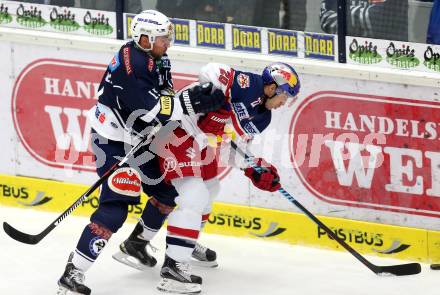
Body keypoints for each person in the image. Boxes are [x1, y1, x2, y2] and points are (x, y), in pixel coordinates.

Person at [56, 10, 226, 295]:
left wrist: (183, 101)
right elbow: (155, 113)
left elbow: (166, 95)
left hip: (137, 139)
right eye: (162, 38)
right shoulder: (132, 66)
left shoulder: (157, 57)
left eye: (167, 37)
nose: (167, 43)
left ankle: (136, 244)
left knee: (167, 194)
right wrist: (191, 101)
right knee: (116, 206)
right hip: (111, 142)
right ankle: (73, 274)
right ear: (144, 39)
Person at [114, 62, 300, 294]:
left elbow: (230, 146)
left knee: (211, 189)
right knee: (193, 195)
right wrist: (217, 101)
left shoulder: (263, 119)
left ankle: (162, 243)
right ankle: (174, 268)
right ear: (272, 87)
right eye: (285, 96)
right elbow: (211, 70)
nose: (285, 103)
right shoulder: (246, 83)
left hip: (202, 141)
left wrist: (252, 167)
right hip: (179, 129)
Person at [320, 0, 408, 41]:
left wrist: (343, 12)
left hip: (388, 59)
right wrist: (370, 13)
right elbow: (326, 20)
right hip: (346, 56)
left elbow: (387, 20)